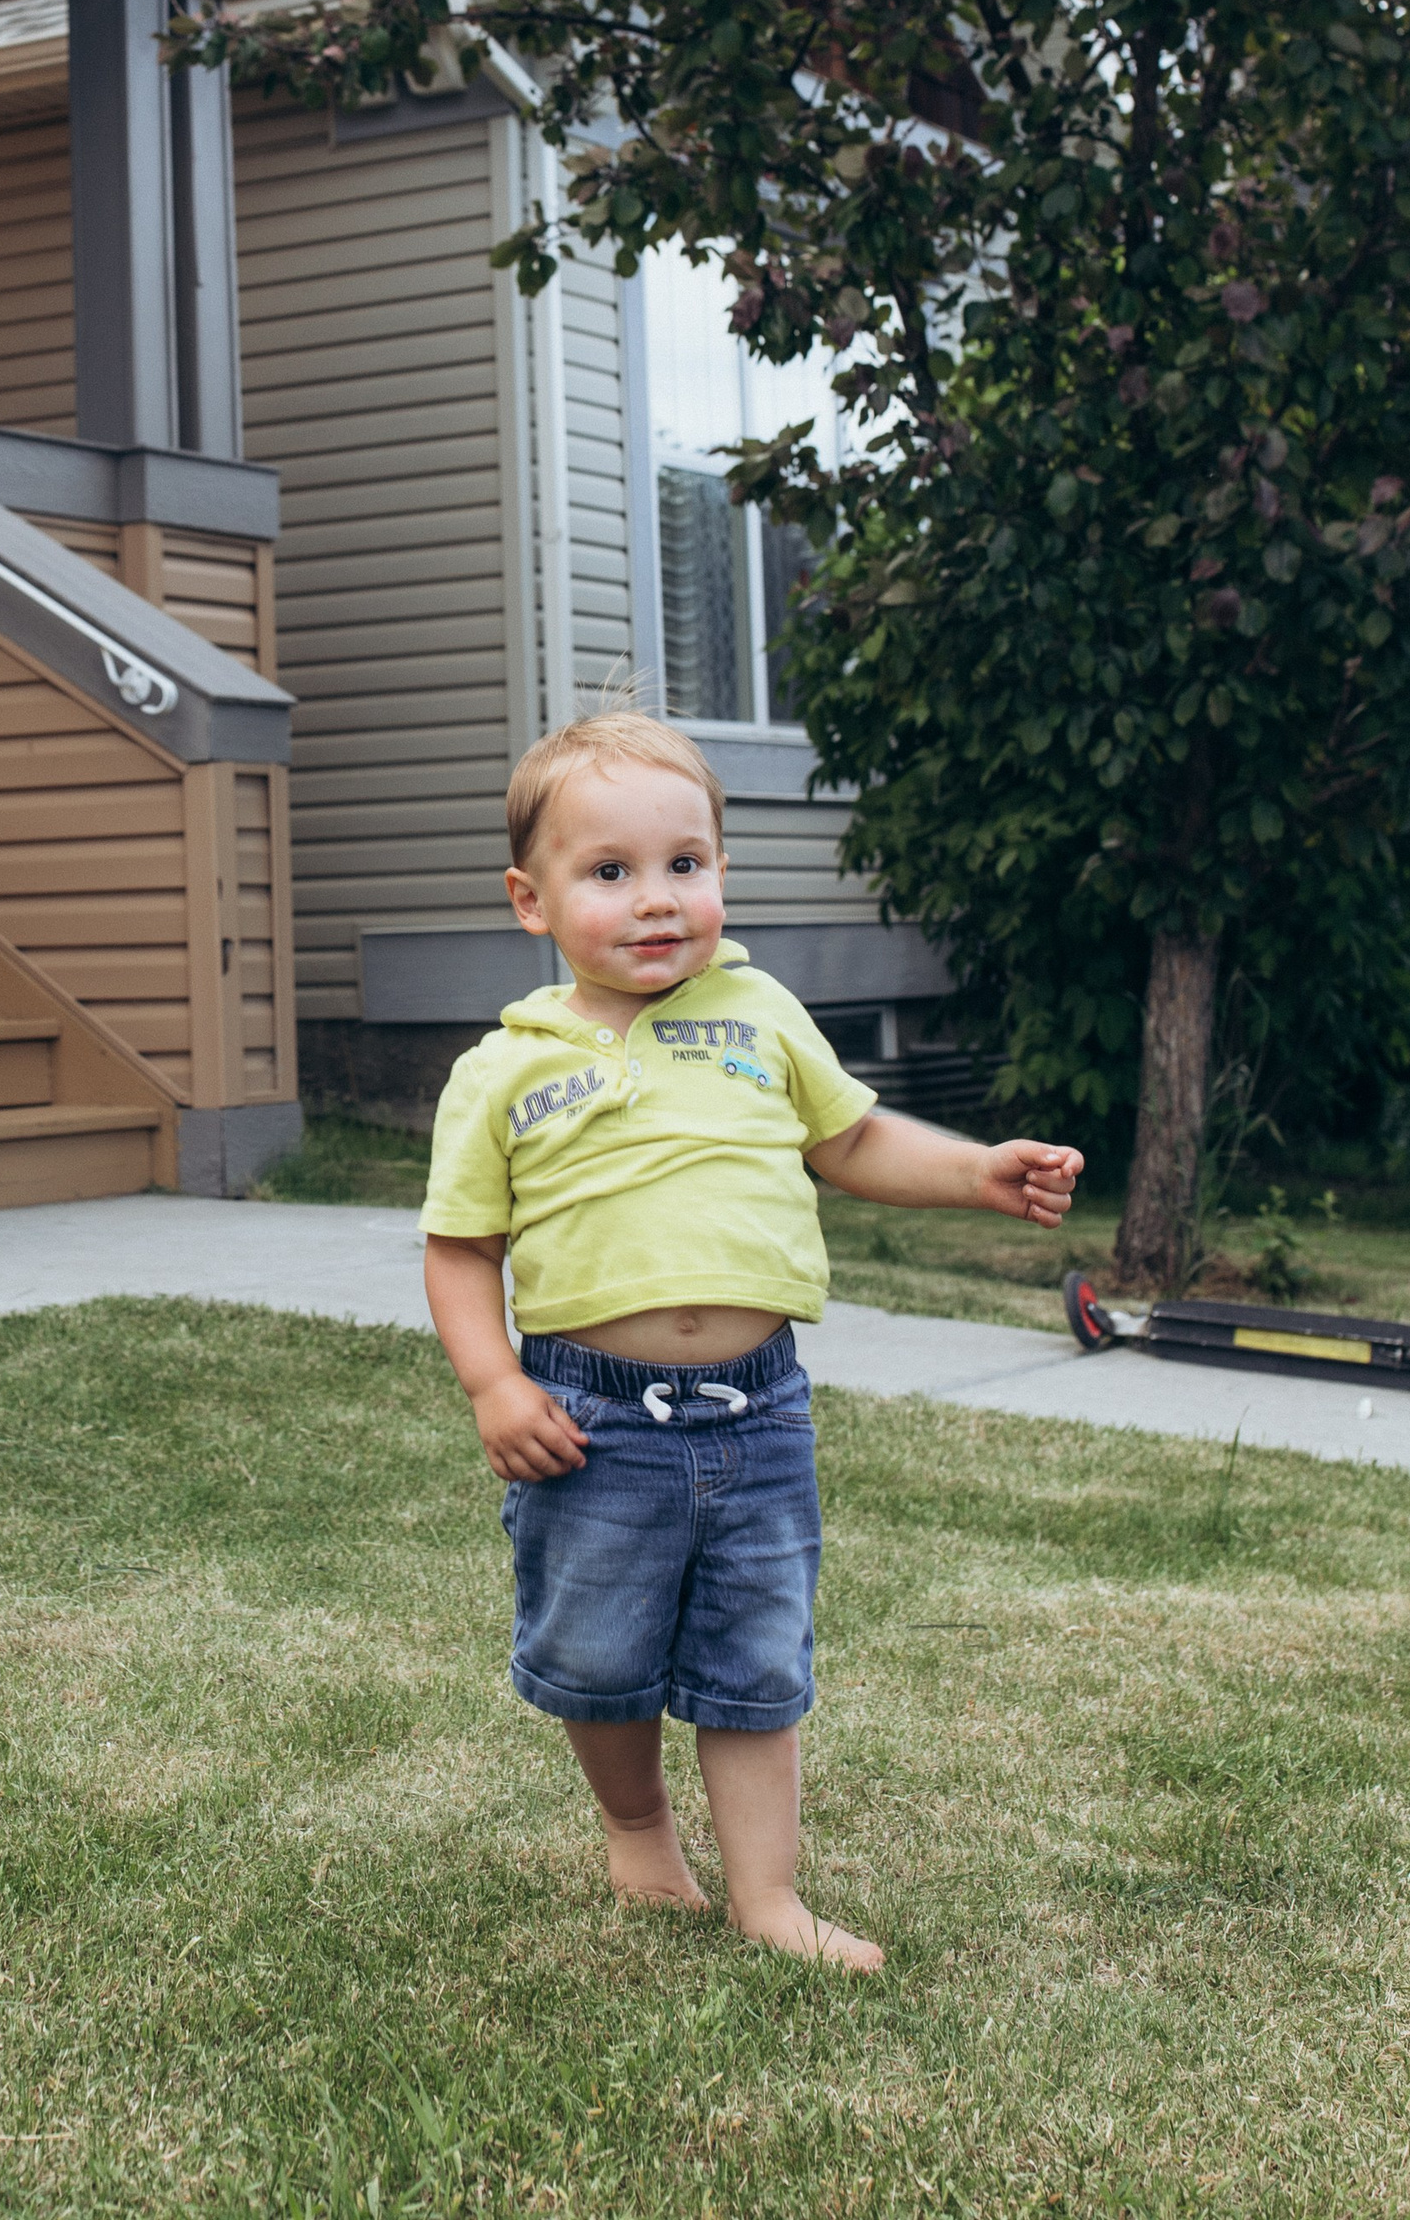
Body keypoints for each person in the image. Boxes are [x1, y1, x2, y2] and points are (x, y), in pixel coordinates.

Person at [421, 708, 1083, 1970]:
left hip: (759, 1409)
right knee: (596, 1650)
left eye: (686, 864)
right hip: (589, 1416)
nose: (657, 898)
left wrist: (977, 1170)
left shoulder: (759, 1013)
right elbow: (461, 1248)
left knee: (754, 1653)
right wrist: (492, 1379)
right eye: (610, 872)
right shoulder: (503, 1069)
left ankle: (768, 1899)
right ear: (532, 899)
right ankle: (635, 1827)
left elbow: (849, 1140)